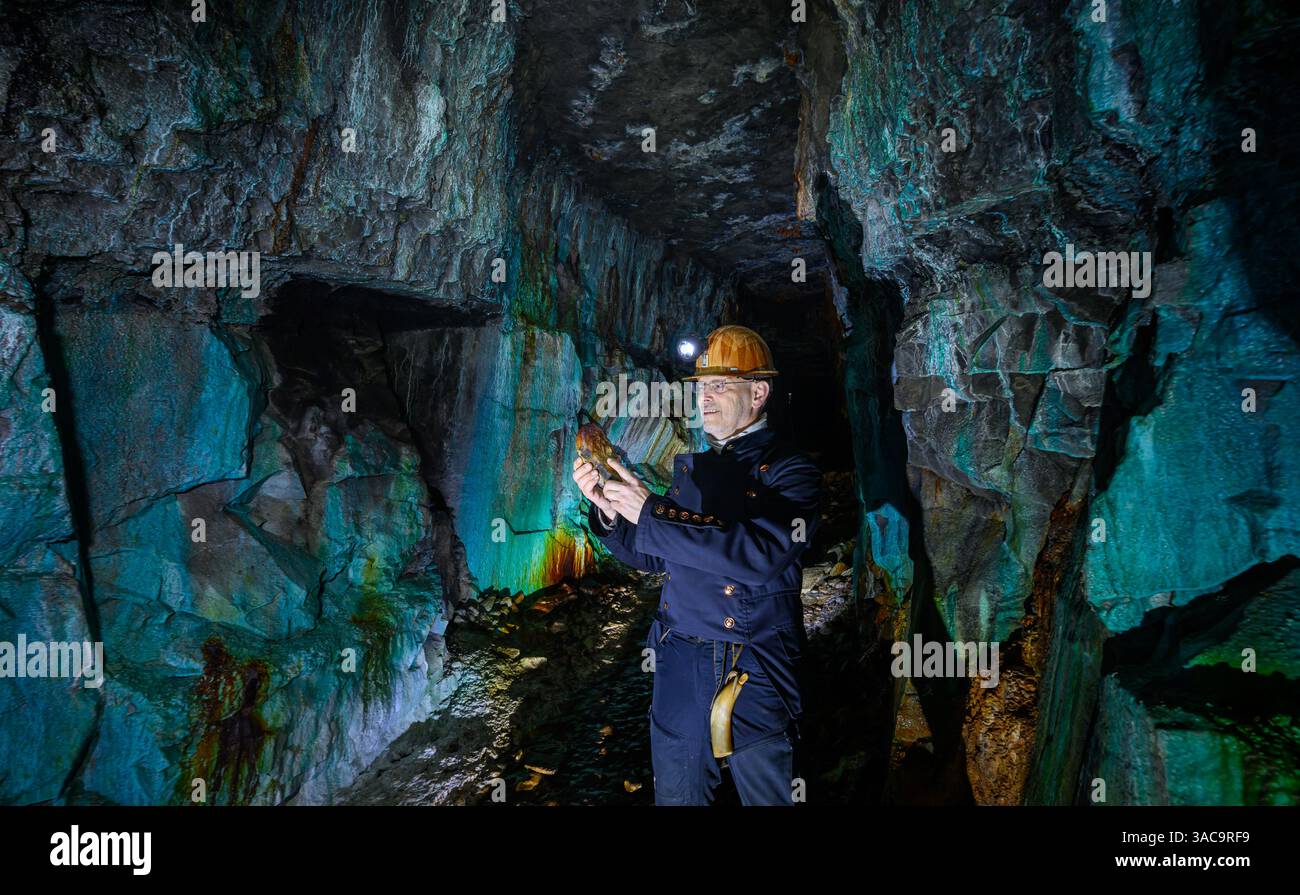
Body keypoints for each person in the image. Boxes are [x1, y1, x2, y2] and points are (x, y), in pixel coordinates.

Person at [571, 325, 822, 805]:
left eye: (720, 385)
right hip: (681, 658)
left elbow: (760, 553)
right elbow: (655, 554)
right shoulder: (697, 469)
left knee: (772, 795)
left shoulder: (793, 472)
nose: (705, 397)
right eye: (702, 387)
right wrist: (609, 510)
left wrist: (652, 511)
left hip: (756, 662)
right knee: (680, 797)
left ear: (759, 392)